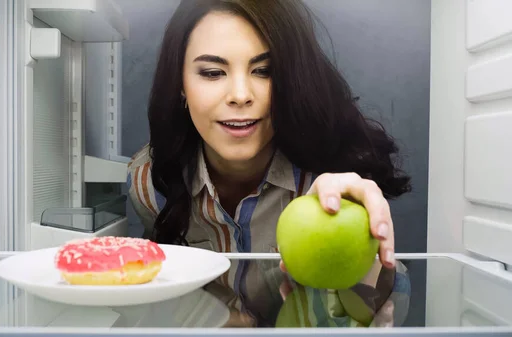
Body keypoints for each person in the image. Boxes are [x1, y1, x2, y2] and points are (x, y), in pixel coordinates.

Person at [127, 0, 411, 327]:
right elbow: (160, 290)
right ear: (180, 84)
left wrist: (365, 245)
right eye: (212, 72)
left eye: (264, 71)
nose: (240, 94)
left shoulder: (332, 178)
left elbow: (376, 313)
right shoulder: (150, 181)